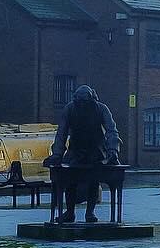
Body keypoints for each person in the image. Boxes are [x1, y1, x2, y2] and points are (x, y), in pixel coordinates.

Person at [45, 84, 121, 223]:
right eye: (80, 103)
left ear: (92, 100)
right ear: (76, 101)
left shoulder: (101, 109)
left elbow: (112, 131)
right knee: (69, 182)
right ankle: (70, 212)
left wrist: (112, 151)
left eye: (85, 103)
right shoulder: (70, 109)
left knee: (94, 180)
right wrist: (57, 154)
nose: (83, 106)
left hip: (95, 151)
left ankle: (90, 213)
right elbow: (61, 133)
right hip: (76, 150)